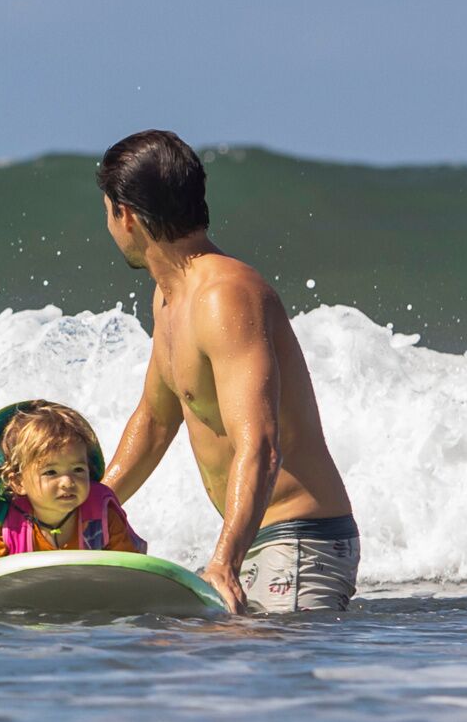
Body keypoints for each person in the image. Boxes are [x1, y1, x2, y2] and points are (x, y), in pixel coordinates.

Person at [95, 130, 361, 614]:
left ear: (126, 215)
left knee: (247, 676)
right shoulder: (170, 298)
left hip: (299, 538)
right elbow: (154, 424)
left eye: (108, 210)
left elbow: (260, 441)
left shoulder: (224, 296)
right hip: (257, 539)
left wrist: (224, 562)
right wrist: (84, 510)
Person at [0, 400, 146, 572]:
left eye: (78, 469)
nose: (68, 482)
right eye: (51, 472)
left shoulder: (102, 517)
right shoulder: (12, 527)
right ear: (18, 482)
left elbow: (131, 570)